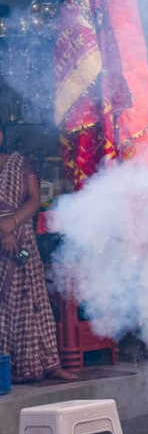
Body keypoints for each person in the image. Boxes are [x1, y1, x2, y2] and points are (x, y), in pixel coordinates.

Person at [0, 122, 72, 383]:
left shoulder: (20, 164)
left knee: (34, 301)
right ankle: (11, 369)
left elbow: (34, 200)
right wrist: (3, 230)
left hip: (23, 247)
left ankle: (48, 364)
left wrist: (13, 224)